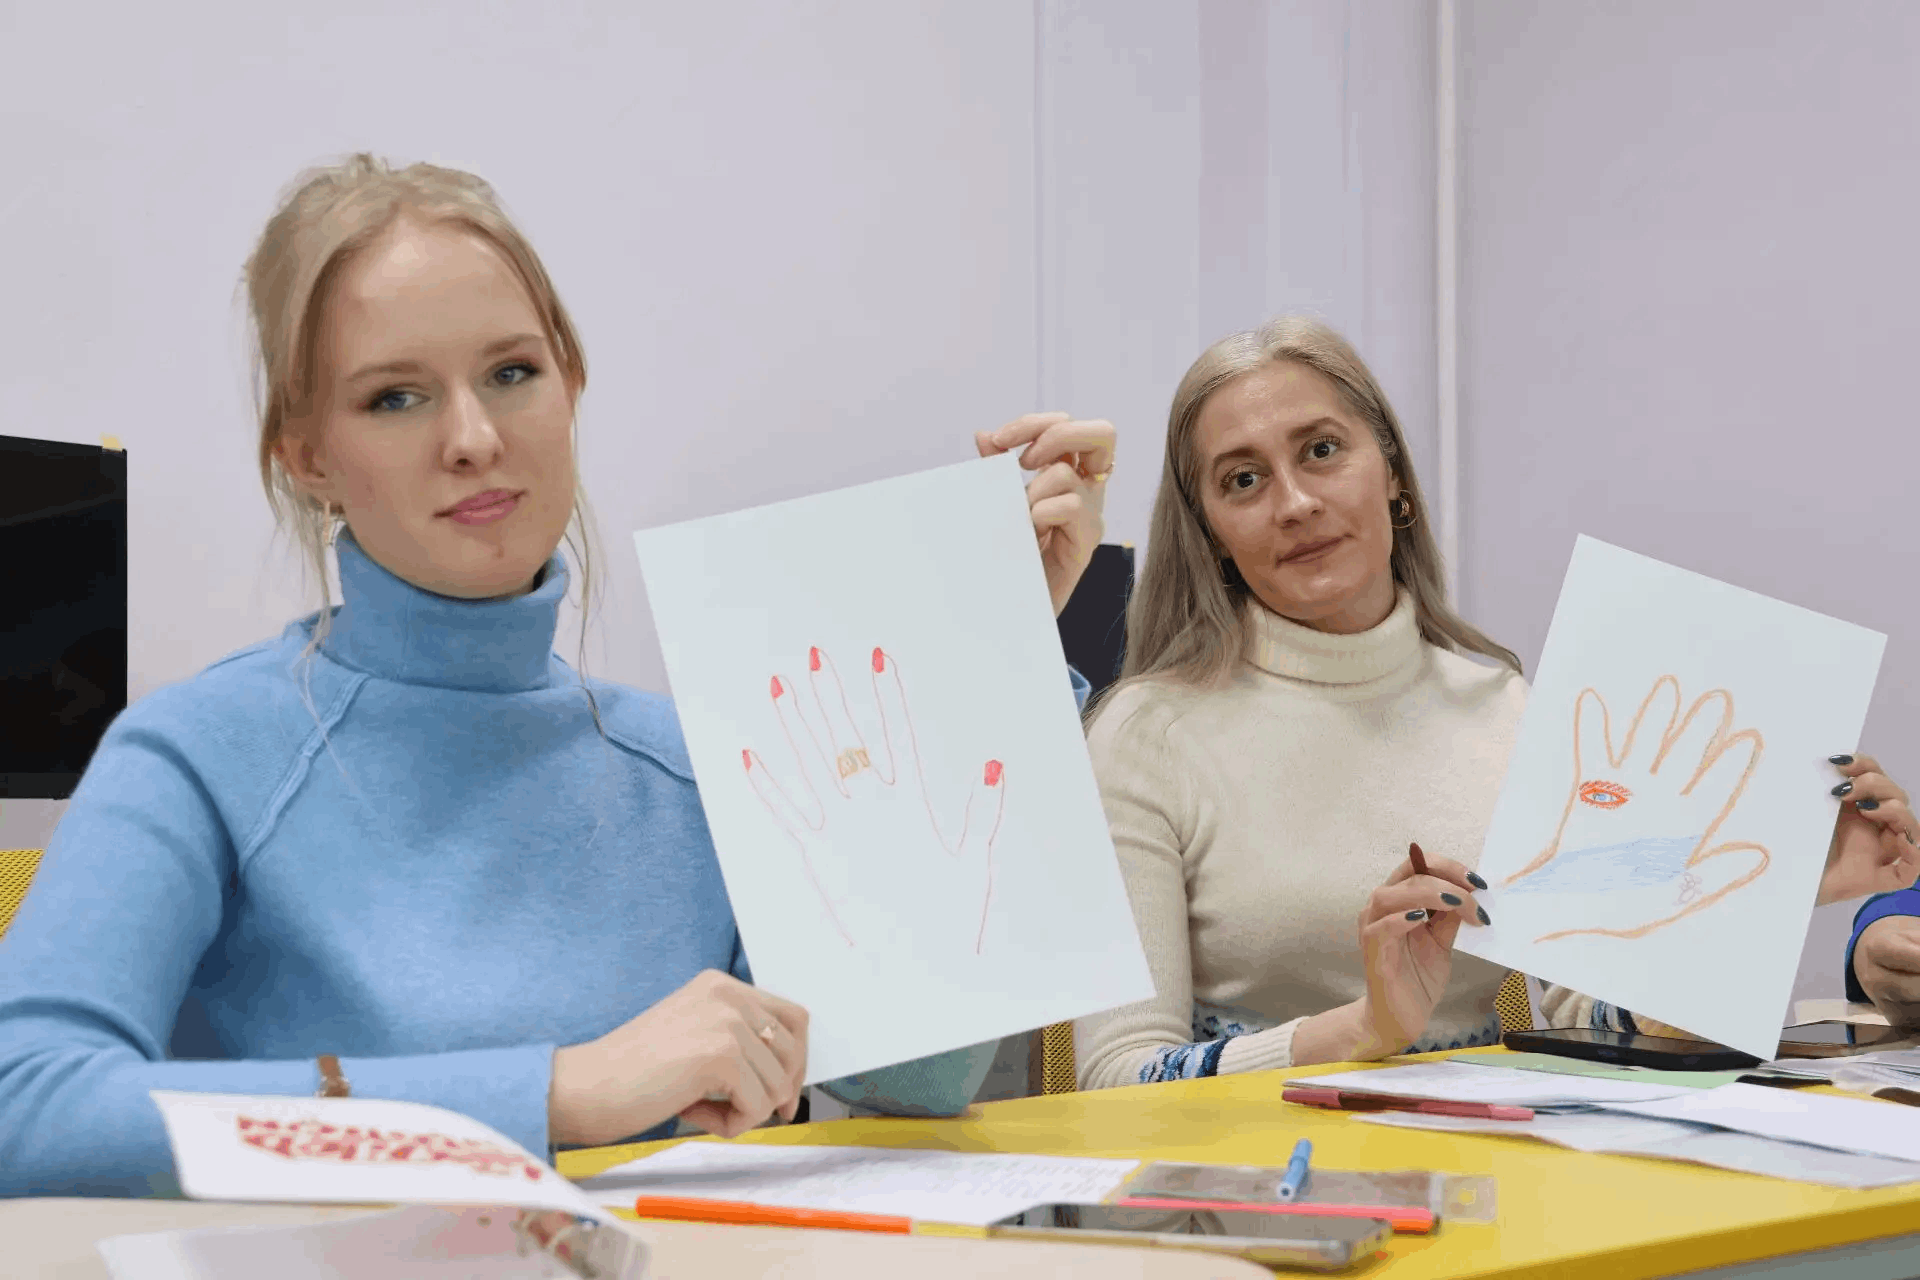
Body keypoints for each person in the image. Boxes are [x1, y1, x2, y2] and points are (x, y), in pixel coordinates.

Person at [0, 154, 1117, 1197]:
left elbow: (918, 1081)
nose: (474, 437)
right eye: (395, 396)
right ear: (305, 454)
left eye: (512, 373)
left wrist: (995, 660)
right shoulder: (199, 752)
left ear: (570, 386)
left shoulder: (698, 761)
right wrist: (557, 1092)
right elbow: (25, 1107)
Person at [1072, 315, 1911, 1088]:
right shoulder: (1145, 737)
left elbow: (1601, 1021)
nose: (1295, 503)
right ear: (1211, 533)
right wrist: (1362, 1029)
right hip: (1246, 1180)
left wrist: (1766, 894)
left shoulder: (1507, 707)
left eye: (1322, 450)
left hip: (1494, 1169)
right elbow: (1114, 1079)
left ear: (1392, 475)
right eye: (1244, 479)